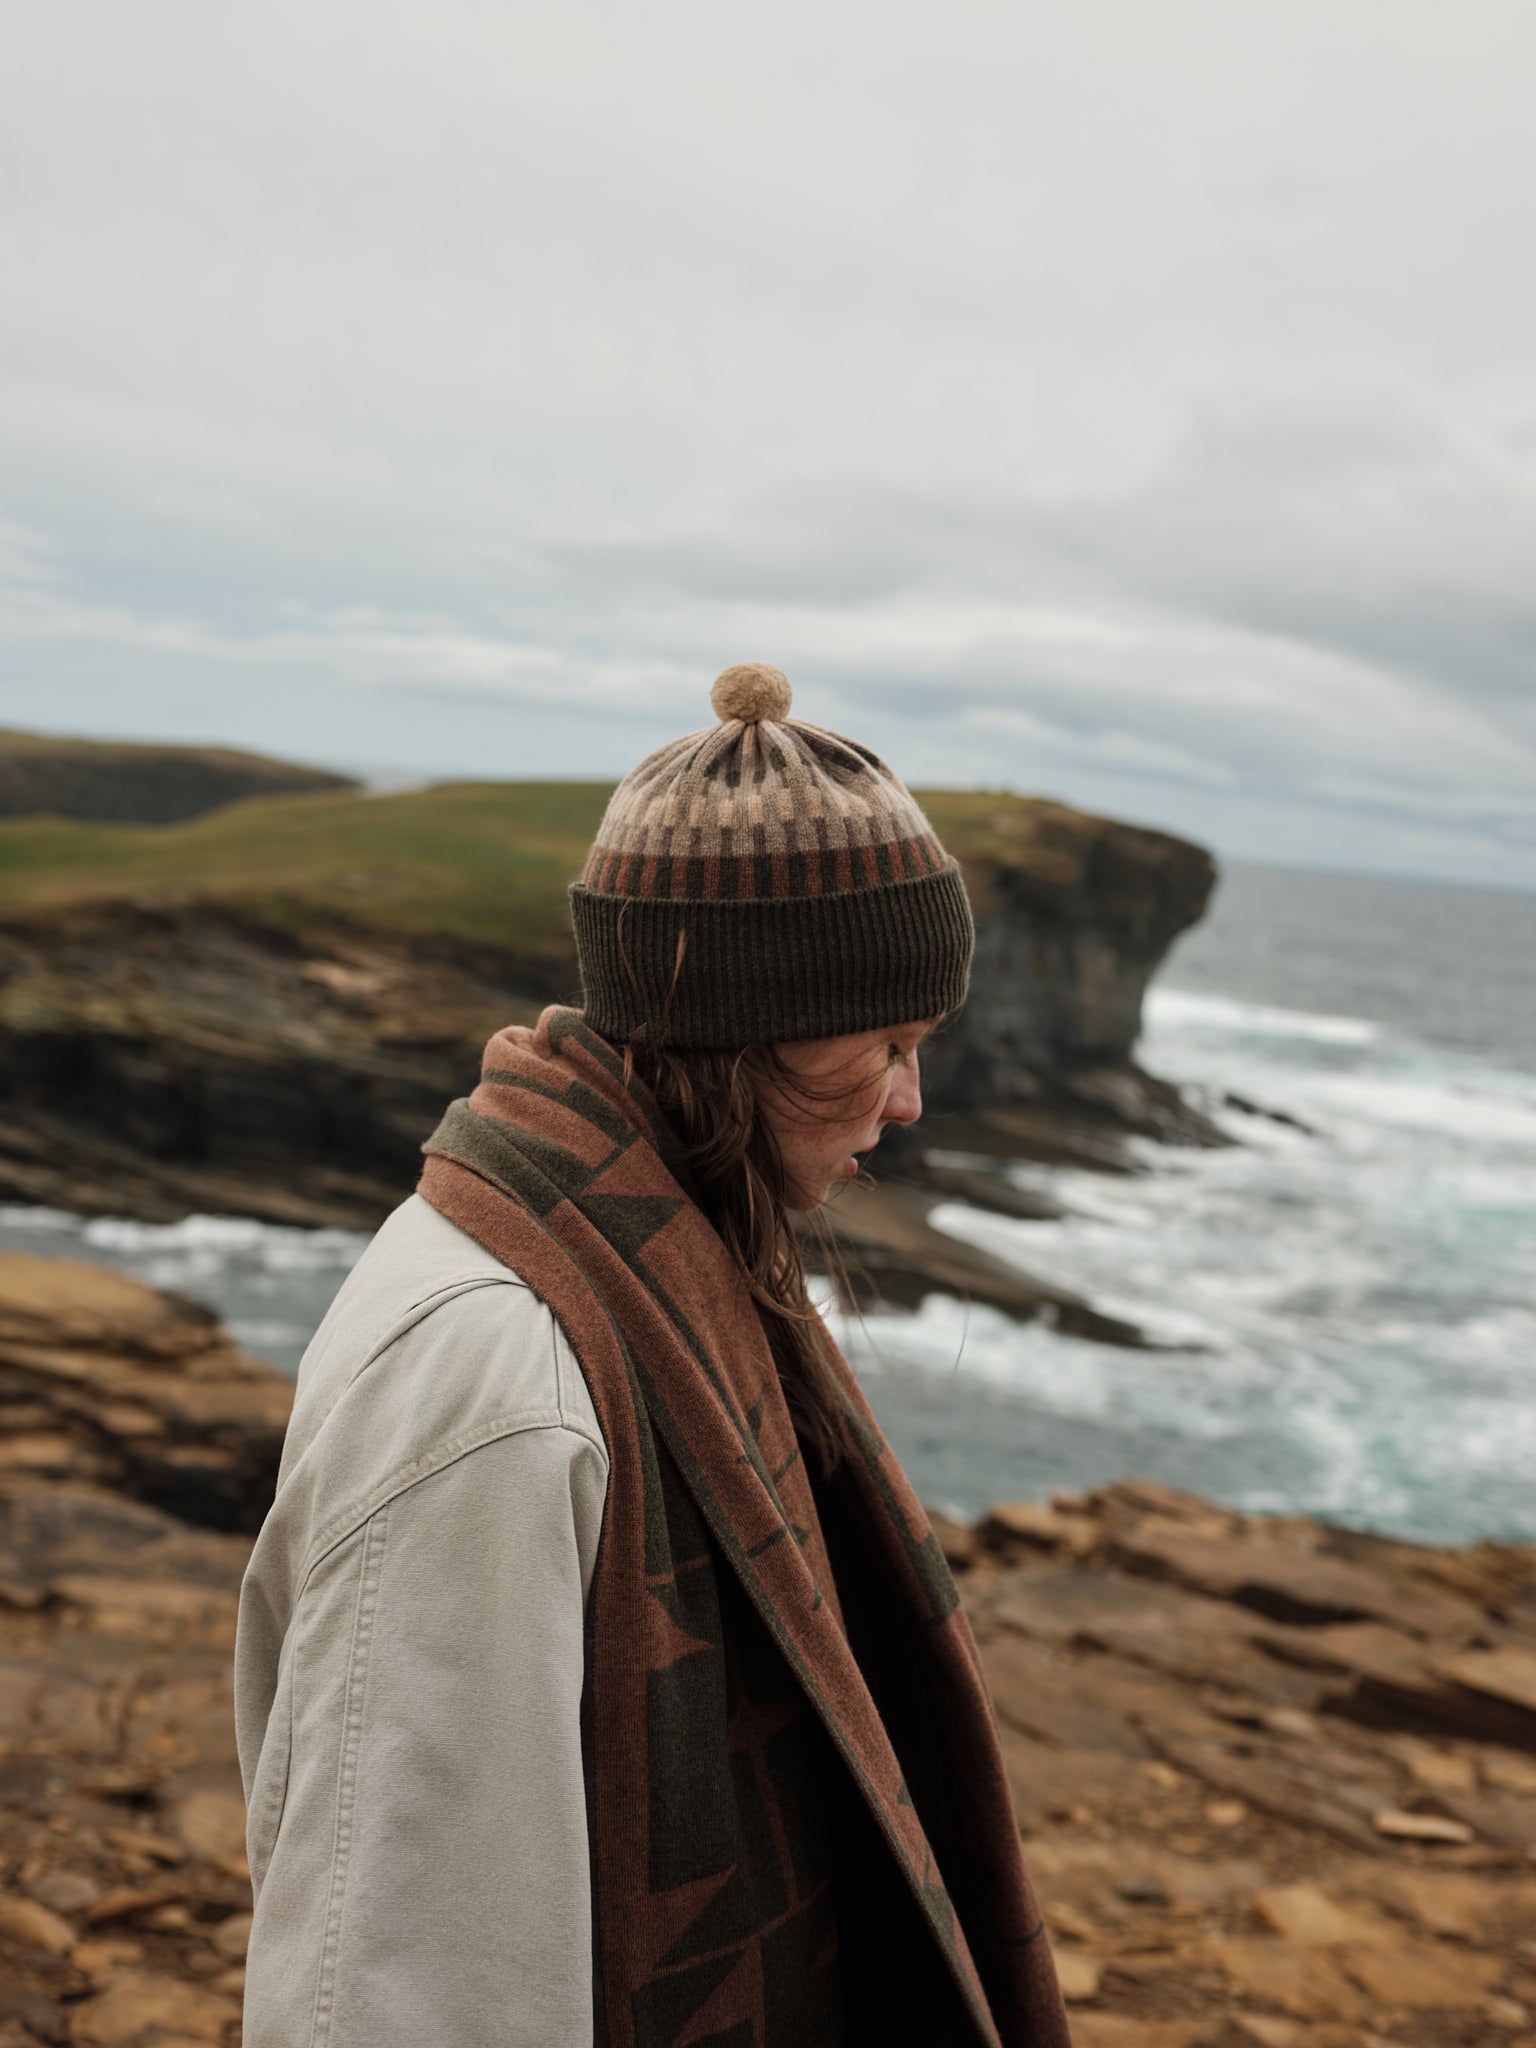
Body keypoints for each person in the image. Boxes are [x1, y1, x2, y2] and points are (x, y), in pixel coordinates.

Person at [234, 666, 1071, 2047]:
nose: (912, 1099)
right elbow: (403, 1982)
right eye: (889, 1042)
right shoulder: (498, 1379)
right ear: (758, 1020)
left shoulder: (657, 1257)